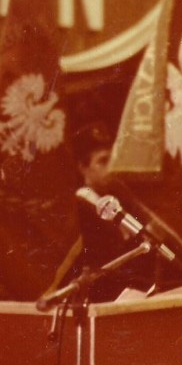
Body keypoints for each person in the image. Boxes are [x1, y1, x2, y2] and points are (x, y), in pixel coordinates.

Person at [65, 121, 155, 303]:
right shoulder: (79, 209)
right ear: (83, 167)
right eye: (103, 161)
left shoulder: (123, 199)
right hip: (103, 301)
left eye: (113, 160)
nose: (111, 168)